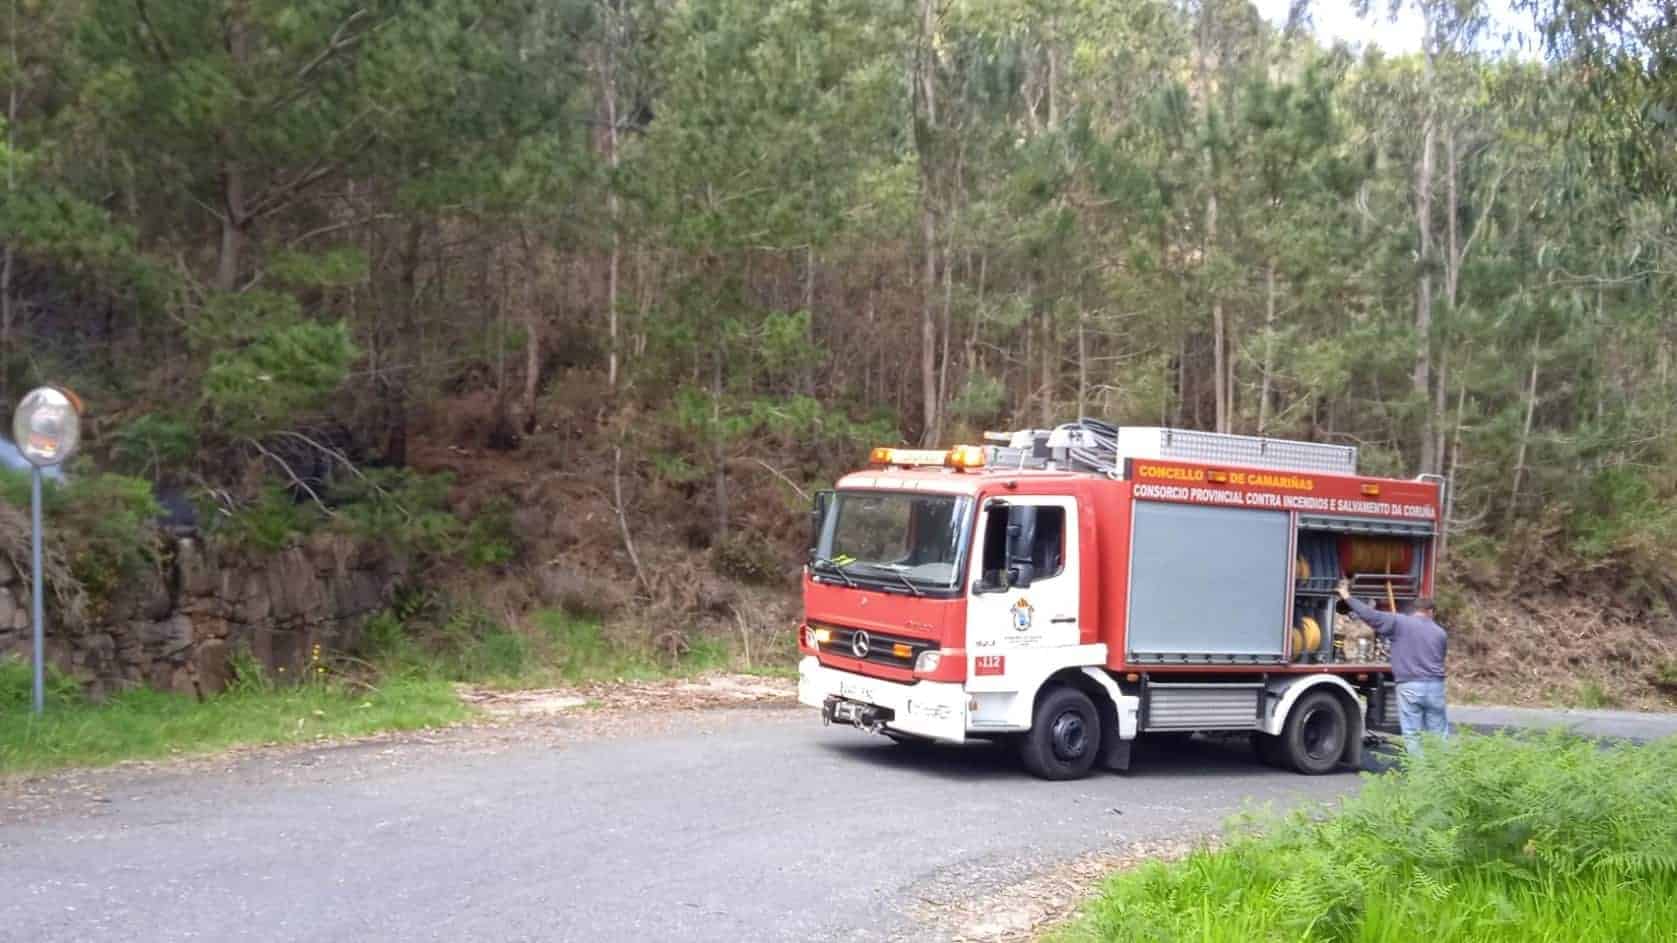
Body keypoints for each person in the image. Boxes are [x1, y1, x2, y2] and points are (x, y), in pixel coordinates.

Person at [1336, 579, 1448, 755]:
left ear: (1415, 610)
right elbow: (1439, 658)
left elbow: (1369, 614)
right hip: (1435, 686)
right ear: (1431, 612)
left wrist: (1346, 596)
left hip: (1410, 685)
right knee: (1439, 734)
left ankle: (1419, 774)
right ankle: (1442, 774)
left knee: (1412, 734)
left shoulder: (1400, 623)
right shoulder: (1441, 633)